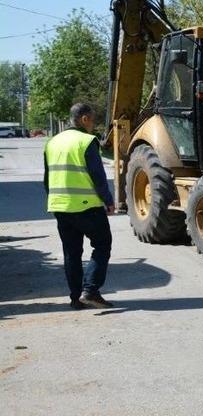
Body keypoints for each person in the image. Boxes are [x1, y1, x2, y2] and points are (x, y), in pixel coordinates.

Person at [44, 103, 115, 309]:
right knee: (102, 244)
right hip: (87, 207)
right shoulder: (86, 141)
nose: (93, 125)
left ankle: (76, 298)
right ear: (84, 119)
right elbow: (98, 176)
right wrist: (108, 201)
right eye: (92, 119)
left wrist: (54, 200)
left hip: (60, 207)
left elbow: (47, 178)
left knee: (71, 253)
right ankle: (90, 290)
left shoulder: (52, 142)